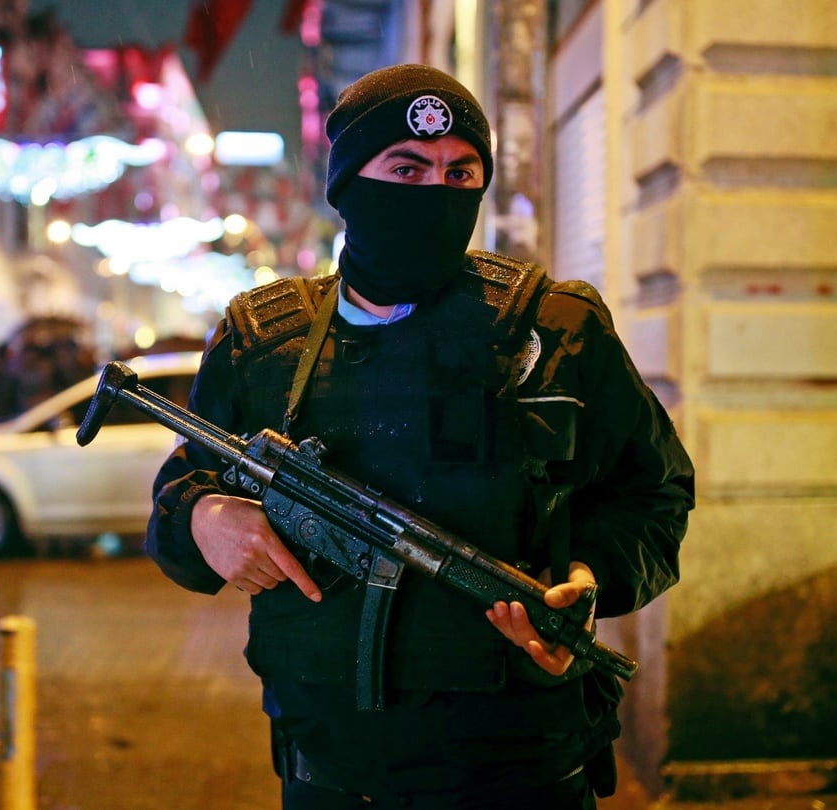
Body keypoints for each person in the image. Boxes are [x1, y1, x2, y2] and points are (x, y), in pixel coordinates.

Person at [144, 64, 695, 810]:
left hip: (525, 770)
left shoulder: (559, 328)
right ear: (348, 185)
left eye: (459, 171)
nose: (435, 192)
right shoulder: (260, 342)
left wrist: (594, 575)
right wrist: (207, 520)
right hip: (329, 778)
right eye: (406, 167)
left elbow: (654, 492)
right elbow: (184, 492)